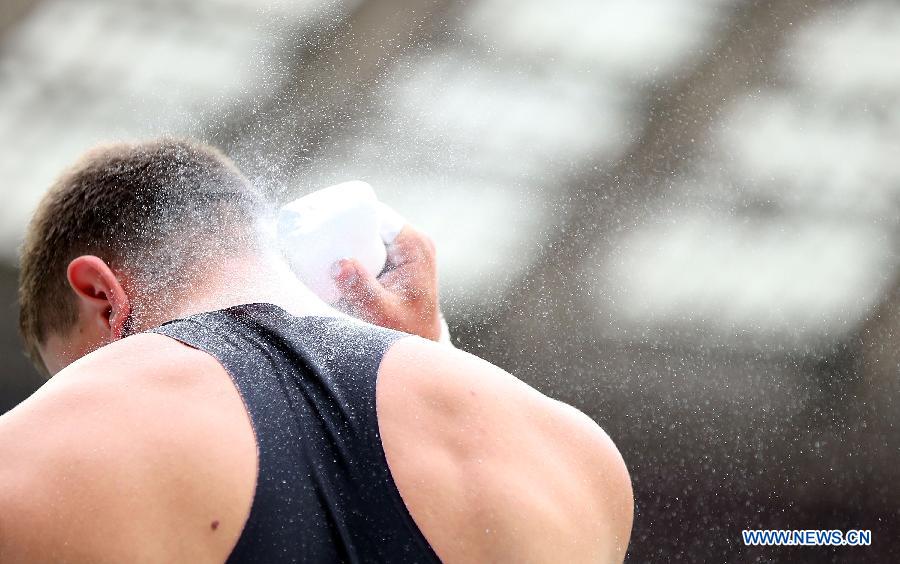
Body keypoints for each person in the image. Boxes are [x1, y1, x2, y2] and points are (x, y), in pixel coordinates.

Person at [0, 140, 633, 563]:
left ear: (103, 298)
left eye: (70, 370)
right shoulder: (570, 455)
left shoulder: (33, 456)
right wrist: (436, 354)